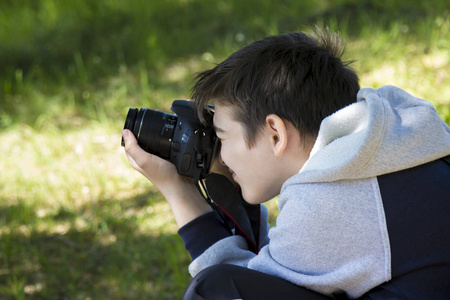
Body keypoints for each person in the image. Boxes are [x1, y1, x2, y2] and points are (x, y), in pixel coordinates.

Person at [122, 28, 450, 299]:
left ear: (276, 133)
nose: (220, 156)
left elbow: (238, 285)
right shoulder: (383, 147)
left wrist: (177, 190)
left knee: (215, 289)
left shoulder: (329, 202)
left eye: (221, 137)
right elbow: (274, 278)